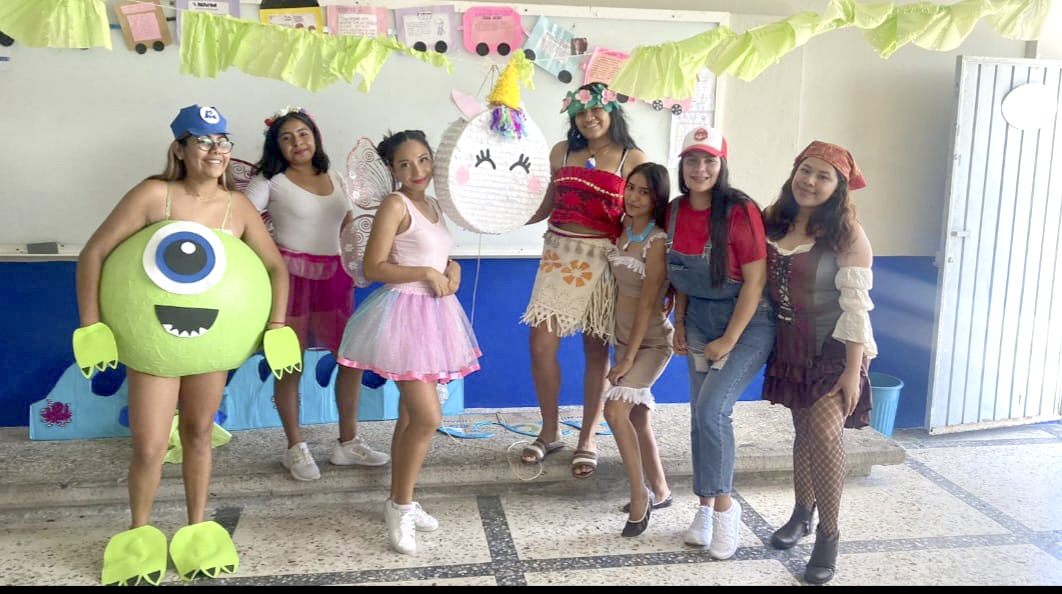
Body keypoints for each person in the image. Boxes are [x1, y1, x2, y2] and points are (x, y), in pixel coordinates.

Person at [75, 105, 295, 583]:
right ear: (179, 148)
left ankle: (197, 530)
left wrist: (277, 325)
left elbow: (275, 267)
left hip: (209, 345)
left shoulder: (237, 208)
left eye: (223, 141)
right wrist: (91, 325)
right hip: (155, 346)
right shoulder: (154, 195)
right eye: (204, 140)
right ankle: (138, 536)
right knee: (150, 446)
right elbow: (95, 252)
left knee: (198, 433)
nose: (216, 150)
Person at [335, 130, 481, 555]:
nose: (416, 170)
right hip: (404, 315)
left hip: (436, 315)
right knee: (427, 417)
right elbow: (374, 266)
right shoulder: (394, 204)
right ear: (392, 170)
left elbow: (432, 252)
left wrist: (451, 267)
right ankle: (398, 506)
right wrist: (426, 273)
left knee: (410, 417)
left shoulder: (434, 204)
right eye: (404, 164)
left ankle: (403, 499)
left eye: (422, 159)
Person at [245, 107, 389, 482]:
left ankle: (348, 442)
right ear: (276, 146)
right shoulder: (269, 180)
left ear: (315, 137)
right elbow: (241, 219)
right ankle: (295, 447)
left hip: (335, 278)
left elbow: (347, 224)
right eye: (286, 138)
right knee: (288, 363)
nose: (297, 143)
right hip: (290, 279)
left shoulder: (335, 176)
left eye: (303, 134)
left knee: (351, 358)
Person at [761, 140, 876, 584]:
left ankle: (828, 536)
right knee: (803, 432)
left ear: (838, 187)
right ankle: (801, 514)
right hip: (791, 346)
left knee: (825, 434)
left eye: (823, 176)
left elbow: (856, 307)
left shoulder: (847, 233)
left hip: (836, 346)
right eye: (805, 171)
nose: (810, 181)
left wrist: (852, 371)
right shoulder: (774, 221)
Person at [521, 82, 647, 478]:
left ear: (611, 112)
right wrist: (502, 215)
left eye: (595, 110)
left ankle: (588, 438)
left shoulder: (632, 158)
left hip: (603, 261)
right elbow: (545, 206)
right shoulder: (561, 152)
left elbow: (642, 212)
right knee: (541, 346)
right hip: (559, 255)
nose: (588, 118)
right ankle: (550, 431)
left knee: (596, 351)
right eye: (580, 113)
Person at [667, 127, 775, 560]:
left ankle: (727, 513)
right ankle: (705, 509)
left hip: (746, 324)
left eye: (709, 160)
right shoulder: (675, 211)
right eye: (692, 160)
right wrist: (679, 321)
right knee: (699, 417)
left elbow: (755, 281)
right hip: (698, 322)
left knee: (714, 411)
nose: (700, 169)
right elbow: (682, 275)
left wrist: (729, 339)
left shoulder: (740, 210)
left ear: (721, 165)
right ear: (682, 165)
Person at [602, 162, 674, 537]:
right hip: (623, 340)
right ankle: (661, 490)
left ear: (657, 198)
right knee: (637, 418)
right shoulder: (622, 229)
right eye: (631, 187)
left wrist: (628, 358)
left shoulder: (657, 241)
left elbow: (648, 303)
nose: (634, 197)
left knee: (615, 410)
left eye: (644, 192)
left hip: (651, 344)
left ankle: (639, 496)